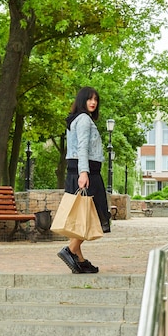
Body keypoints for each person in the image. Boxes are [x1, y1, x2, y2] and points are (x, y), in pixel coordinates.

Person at [57, 86, 111, 274]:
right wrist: (84, 173)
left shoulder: (77, 120)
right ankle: (70, 250)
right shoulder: (84, 120)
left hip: (81, 172)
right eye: (89, 99)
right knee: (92, 215)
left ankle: (79, 260)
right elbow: (82, 148)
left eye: (96, 99)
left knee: (84, 215)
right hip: (87, 174)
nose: (93, 103)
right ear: (82, 101)